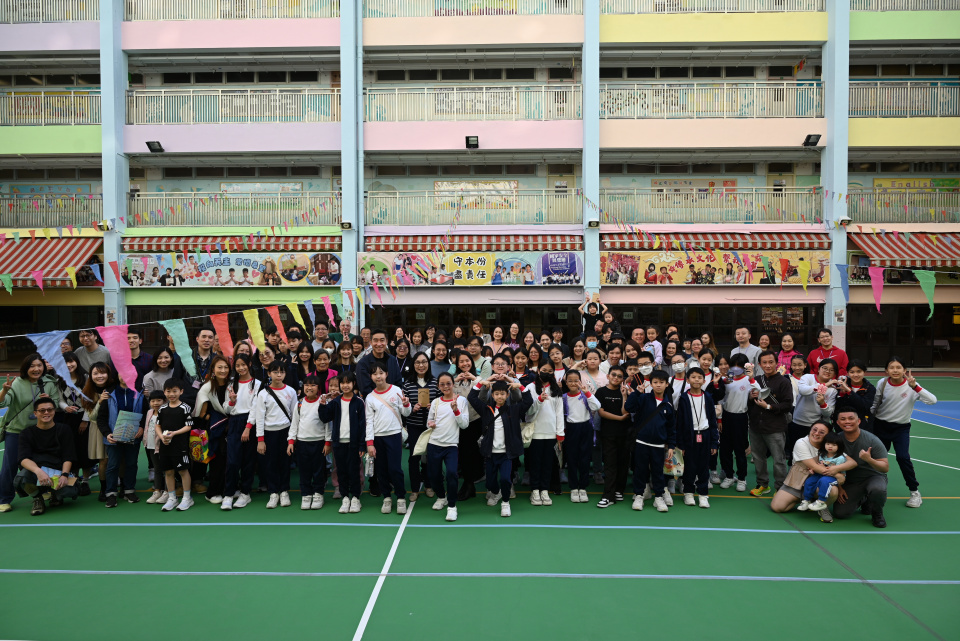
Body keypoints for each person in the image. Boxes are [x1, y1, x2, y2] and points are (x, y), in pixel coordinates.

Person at [869, 358, 937, 508]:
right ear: (886, 370)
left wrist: (915, 387)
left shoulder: (912, 385)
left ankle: (914, 492)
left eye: (898, 367)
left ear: (904, 370)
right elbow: (875, 403)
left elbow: (932, 400)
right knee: (875, 459)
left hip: (901, 428)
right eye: (891, 367)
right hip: (880, 426)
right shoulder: (882, 383)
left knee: (903, 457)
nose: (895, 370)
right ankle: (869, 490)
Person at [0, 354, 63, 513]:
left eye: (39, 365)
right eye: (32, 366)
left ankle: (42, 491)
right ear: (26, 368)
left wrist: (49, 400)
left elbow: (55, 404)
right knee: (10, 465)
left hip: (40, 431)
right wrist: (4, 391)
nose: (36, 369)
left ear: (44, 367)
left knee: (41, 462)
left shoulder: (49, 382)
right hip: (17, 430)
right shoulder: (17, 383)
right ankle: (4, 499)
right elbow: (3, 402)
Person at [467, 379, 534, 518]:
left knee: (505, 479)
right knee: (490, 482)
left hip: (506, 455)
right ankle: (496, 492)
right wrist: (480, 383)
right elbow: (472, 398)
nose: (499, 397)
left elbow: (528, 401)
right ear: (492, 395)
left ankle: (505, 502)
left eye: (502, 394)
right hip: (490, 454)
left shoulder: (514, 410)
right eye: (496, 394)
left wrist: (520, 386)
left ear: (507, 395)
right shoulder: (486, 410)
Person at [769, 421, 855, 523]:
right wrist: (838, 475)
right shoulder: (801, 443)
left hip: (818, 481)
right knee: (777, 507)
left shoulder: (829, 446)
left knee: (833, 491)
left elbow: (852, 462)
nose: (816, 433)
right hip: (797, 481)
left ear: (828, 435)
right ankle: (806, 500)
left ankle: (822, 506)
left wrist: (837, 471)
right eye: (814, 429)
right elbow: (815, 467)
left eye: (822, 432)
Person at [14, 397, 80, 516]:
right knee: (20, 479)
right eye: (42, 410)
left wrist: (64, 475)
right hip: (37, 471)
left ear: (54, 411)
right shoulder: (26, 433)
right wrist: (38, 471)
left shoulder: (64, 429)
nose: (46, 413)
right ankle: (37, 498)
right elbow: (23, 459)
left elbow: (68, 456)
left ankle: (55, 494)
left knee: (70, 490)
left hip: (58, 471)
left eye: (50, 410)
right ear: (35, 413)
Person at [625, 370, 676, 512]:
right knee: (640, 471)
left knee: (658, 472)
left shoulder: (668, 405)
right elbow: (629, 407)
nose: (658, 385)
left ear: (667, 384)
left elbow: (671, 428)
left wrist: (671, 446)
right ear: (651, 384)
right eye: (655, 382)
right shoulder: (643, 398)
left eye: (661, 382)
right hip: (641, 442)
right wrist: (636, 392)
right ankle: (639, 495)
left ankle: (658, 497)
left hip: (659, 445)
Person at [366, 363, 411, 515]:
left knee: (395, 469)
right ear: (371, 377)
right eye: (374, 374)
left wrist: (406, 404)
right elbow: (369, 421)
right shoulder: (370, 397)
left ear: (386, 374)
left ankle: (400, 497)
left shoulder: (396, 390)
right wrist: (370, 443)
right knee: (381, 470)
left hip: (394, 435)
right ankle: (386, 497)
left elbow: (406, 413)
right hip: (378, 438)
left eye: (381, 373)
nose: (378, 376)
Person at [833, 407, 890, 528]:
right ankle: (864, 499)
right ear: (837, 423)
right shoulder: (836, 440)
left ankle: (877, 513)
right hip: (850, 481)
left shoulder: (872, 440)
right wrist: (839, 487)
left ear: (858, 421)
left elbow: (885, 468)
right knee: (840, 513)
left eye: (851, 418)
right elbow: (831, 465)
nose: (847, 421)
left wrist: (869, 459)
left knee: (877, 489)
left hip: (873, 477)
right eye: (843, 419)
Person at [253, 361, 298, 509]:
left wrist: (292, 437)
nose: (279, 375)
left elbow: (295, 416)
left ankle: (284, 491)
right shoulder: (263, 394)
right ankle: (273, 493)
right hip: (268, 433)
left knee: (285, 462)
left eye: (282, 372)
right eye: (275, 372)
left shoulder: (291, 391)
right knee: (270, 464)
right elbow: (259, 417)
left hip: (285, 432)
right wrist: (260, 440)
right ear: (269, 374)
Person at [747, 351, 793, 496]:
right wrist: (751, 396)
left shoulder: (784, 382)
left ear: (777, 363)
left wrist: (768, 406)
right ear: (759, 364)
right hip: (756, 426)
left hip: (775, 427)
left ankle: (780, 488)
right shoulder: (756, 380)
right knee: (758, 458)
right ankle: (762, 484)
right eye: (764, 362)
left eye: (771, 362)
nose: (768, 365)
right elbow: (749, 403)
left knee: (779, 460)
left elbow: (788, 405)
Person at [426, 372, 470, 522]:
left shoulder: (461, 401)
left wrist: (455, 410)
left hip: (451, 445)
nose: (446, 387)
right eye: (442, 384)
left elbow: (464, 424)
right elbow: (429, 421)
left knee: (452, 474)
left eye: (448, 383)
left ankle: (452, 506)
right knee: (434, 476)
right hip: (434, 443)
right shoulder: (435, 402)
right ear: (438, 386)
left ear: (453, 384)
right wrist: (430, 423)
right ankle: (441, 497)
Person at [98, 375, 146, 508]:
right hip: (114, 437)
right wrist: (107, 433)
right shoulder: (109, 394)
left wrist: (142, 426)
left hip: (133, 436)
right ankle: (111, 494)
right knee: (113, 465)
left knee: (131, 464)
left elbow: (146, 413)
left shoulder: (140, 394)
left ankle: (129, 491)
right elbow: (101, 418)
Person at [676, 367, 720, 509]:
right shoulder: (684, 398)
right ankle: (688, 492)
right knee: (689, 466)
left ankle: (703, 494)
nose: (696, 380)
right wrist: (681, 444)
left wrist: (714, 442)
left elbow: (712, 421)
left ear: (704, 380)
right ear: (688, 380)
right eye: (693, 377)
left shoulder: (708, 396)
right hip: (689, 436)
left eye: (699, 377)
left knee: (703, 466)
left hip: (705, 435)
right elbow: (680, 423)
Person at [222, 355, 261, 511]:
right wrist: (231, 401)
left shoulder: (257, 384)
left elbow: (256, 407)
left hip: (250, 423)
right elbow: (226, 408)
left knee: (248, 461)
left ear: (249, 364)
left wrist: (248, 427)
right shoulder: (231, 385)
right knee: (232, 461)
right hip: (234, 422)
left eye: (243, 364)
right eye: (238, 365)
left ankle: (245, 493)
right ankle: (229, 494)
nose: (241, 368)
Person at [287, 376, 329, 510]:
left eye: (313, 385)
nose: (309, 388)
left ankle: (318, 494)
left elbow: (328, 424)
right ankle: (306, 494)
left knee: (318, 470)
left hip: (319, 442)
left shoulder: (323, 402)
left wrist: (327, 442)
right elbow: (294, 423)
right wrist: (291, 441)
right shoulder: (299, 403)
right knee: (304, 470)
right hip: (302, 443)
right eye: (306, 385)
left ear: (319, 388)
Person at [717, 354, 757, 492]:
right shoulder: (726, 380)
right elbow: (720, 399)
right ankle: (729, 476)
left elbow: (757, 390)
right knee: (725, 450)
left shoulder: (748, 380)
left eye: (739, 366)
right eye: (733, 365)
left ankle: (741, 479)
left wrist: (751, 377)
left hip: (740, 417)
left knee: (740, 450)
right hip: (726, 417)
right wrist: (720, 419)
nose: (736, 368)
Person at [194, 355, 231, 504]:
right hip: (215, 431)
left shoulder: (232, 385)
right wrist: (215, 417)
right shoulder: (207, 387)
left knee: (230, 461)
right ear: (213, 370)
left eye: (226, 367)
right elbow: (201, 414)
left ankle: (228, 489)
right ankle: (213, 492)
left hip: (231, 428)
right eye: (219, 367)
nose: (223, 370)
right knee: (217, 462)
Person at [594, 366, 632, 508]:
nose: (616, 378)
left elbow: (626, 411)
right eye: (613, 375)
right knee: (610, 464)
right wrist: (619, 418)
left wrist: (624, 396)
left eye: (619, 376)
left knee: (623, 463)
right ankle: (608, 496)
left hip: (625, 433)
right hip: (608, 433)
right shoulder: (601, 392)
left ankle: (619, 490)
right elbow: (601, 412)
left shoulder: (626, 391)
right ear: (608, 376)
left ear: (623, 379)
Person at [401, 353, 437, 502]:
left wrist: (433, 407)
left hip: (431, 427)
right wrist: (411, 408)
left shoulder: (435, 382)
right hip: (414, 426)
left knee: (429, 457)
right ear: (413, 365)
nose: (421, 365)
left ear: (428, 364)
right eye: (417, 362)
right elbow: (403, 408)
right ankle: (415, 489)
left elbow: (441, 403)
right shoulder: (407, 384)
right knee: (414, 457)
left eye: (424, 362)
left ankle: (428, 485)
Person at [561, 370, 600, 503]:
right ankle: (573, 488)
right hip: (571, 429)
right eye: (570, 381)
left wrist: (587, 393)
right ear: (566, 383)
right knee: (571, 459)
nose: (573, 383)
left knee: (585, 459)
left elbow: (597, 406)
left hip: (585, 428)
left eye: (576, 380)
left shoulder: (585, 395)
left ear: (580, 381)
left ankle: (583, 487)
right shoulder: (564, 397)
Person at [789, 359, 839, 463]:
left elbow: (828, 413)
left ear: (834, 373)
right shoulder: (807, 377)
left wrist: (822, 403)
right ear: (818, 369)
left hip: (817, 426)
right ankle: (793, 472)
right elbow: (803, 390)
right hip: (798, 422)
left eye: (831, 370)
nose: (827, 371)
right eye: (825, 368)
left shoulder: (833, 390)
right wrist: (824, 385)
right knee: (795, 454)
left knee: (816, 454)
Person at [155, 379, 195, 512]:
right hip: (165, 445)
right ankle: (172, 498)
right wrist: (162, 437)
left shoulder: (185, 407)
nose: (171, 394)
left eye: (174, 391)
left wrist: (174, 434)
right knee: (168, 471)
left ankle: (187, 498)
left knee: (183, 471)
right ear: (164, 392)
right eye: (168, 391)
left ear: (181, 392)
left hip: (180, 445)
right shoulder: (162, 409)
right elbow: (158, 426)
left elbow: (188, 426)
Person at [797, 432, 847, 512]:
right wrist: (814, 469)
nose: (830, 446)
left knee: (824, 481)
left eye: (834, 445)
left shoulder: (840, 458)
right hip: (821, 474)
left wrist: (824, 468)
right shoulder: (822, 454)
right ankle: (807, 500)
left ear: (839, 446)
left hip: (833, 477)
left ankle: (821, 501)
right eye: (828, 444)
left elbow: (838, 472)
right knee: (809, 481)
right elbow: (820, 465)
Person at [357, 329, 402, 397]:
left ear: (386, 341)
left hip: (392, 400)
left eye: (382, 340)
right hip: (372, 401)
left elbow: (398, 383)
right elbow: (365, 389)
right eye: (375, 340)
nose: (379, 344)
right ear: (370, 342)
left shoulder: (392, 360)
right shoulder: (363, 363)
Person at [144, 391, 166, 504]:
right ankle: (157, 491)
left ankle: (167, 491)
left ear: (164, 401)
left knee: (167, 469)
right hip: (151, 445)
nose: (156, 403)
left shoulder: (166, 413)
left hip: (163, 446)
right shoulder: (149, 412)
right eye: (153, 401)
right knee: (157, 468)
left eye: (159, 400)